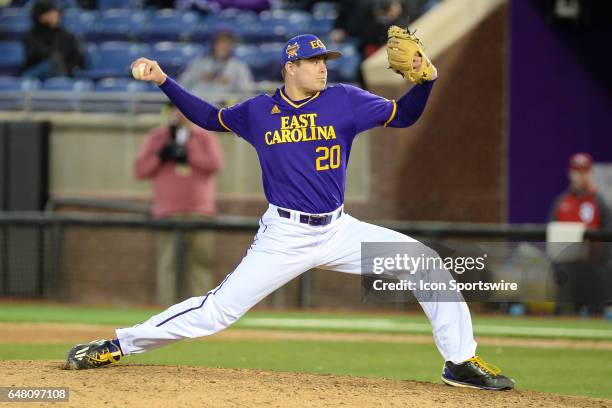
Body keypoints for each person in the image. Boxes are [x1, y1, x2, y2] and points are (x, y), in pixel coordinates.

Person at [64, 33, 514, 391]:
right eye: (314, 60)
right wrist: (164, 79)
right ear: (290, 67)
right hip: (284, 235)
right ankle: (119, 343)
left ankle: (459, 362)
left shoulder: (346, 100)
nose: (322, 66)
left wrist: (427, 80)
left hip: (339, 229)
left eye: (325, 60)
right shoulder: (260, 112)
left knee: (424, 262)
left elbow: (403, 116)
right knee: (217, 311)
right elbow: (207, 118)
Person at [134, 102, 224, 305]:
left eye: (181, 109)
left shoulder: (204, 135)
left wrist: (188, 154)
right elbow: (140, 170)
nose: (178, 113)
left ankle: (202, 309)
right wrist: (160, 155)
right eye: (173, 109)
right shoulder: (157, 137)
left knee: (201, 263)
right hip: (168, 212)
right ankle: (165, 309)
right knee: (167, 263)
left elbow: (215, 164)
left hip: (199, 212)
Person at [549, 152, 611, 316]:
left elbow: (608, 236)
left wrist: (602, 261)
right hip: (568, 271)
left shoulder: (599, 202)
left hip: (593, 270)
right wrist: (556, 268)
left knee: (596, 314)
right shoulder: (561, 203)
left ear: (590, 174)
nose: (579, 176)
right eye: (576, 172)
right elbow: (552, 237)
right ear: (571, 173)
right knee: (564, 315)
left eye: (584, 172)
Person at [20, 0, 84, 79]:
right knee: (53, 61)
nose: (57, 15)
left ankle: (60, 84)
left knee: (57, 63)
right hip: (35, 74)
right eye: (52, 12)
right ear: (41, 16)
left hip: (64, 73)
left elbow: (76, 58)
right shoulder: (30, 35)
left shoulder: (67, 36)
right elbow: (33, 56)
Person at [179, 30, 254, 97]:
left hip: (224, 106)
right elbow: (182, 83)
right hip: (197, 102)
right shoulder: (199, 63)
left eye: (227, 42)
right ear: (214, 44)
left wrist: (230, 83)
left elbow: (246, 91)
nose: (224, 46)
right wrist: (200, 76)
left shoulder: (238, 66)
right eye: (220, 42)